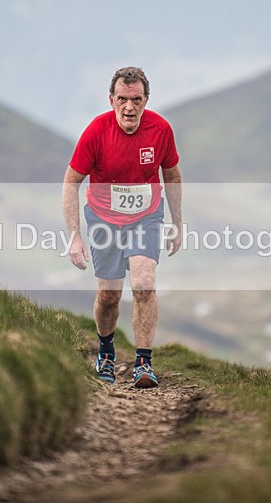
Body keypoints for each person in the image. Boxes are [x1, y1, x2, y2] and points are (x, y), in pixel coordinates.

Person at [62, 66, 183, 388]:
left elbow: (172, 175)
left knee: (143, 282)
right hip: (103, 219)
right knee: (109, 295)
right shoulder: (96, 132)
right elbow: (71, 182)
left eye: (136, 100)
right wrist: (75, 236)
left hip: (146, 216)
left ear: (146, 100)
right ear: (111, 100)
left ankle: (143, 363)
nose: (129, 107)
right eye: (122, 99)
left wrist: (177, 223)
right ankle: (106, 353)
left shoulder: (160, 130)